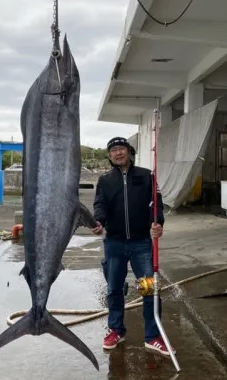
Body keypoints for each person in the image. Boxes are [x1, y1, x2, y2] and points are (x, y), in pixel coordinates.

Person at [91, 136, 176, 356]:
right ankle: (116, 330)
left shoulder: (147, 175)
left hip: (141, 243)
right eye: (113, 151)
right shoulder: (105, 180)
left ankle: (153, 336)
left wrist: (158, 223)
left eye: (121, 149)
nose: (118, 153)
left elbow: (155, 204)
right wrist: (98, 220)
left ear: (130, 151)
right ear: (110, 156)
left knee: (150, 289)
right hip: (114, 243)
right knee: (114, 290)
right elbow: (100, 204)